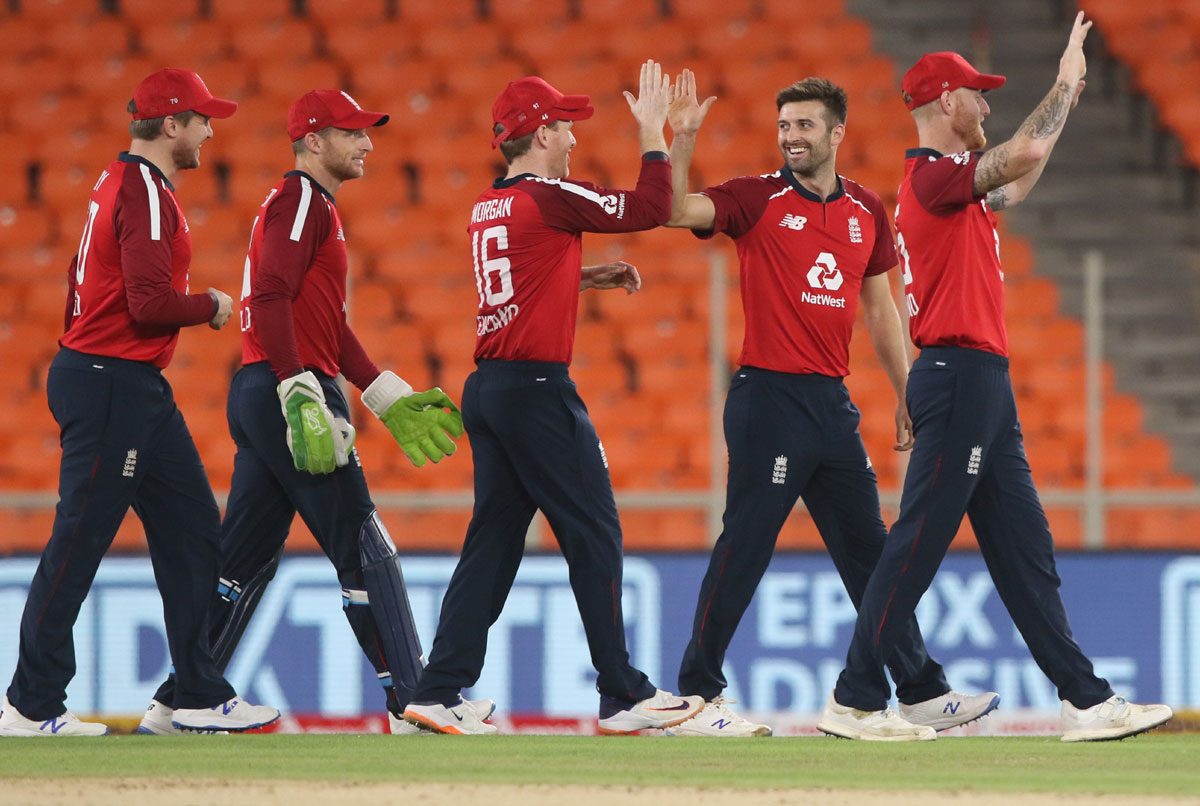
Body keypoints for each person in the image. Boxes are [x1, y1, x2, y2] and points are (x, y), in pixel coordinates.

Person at [820, 12, 1174, 742]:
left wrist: (1068, 99)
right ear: (945, 102)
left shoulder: (952, 189)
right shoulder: (931, 178)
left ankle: (1085, 698)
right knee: (918, 539)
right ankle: (854, 698)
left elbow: (1021, 173)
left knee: (1024, 550)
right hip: (958, 376)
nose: (985, 105)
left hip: (980, 379)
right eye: (976, 94)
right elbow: (1017, 155)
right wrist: (1064, 83)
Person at [659, 72, 997, 738]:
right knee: (748, 546)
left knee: (872, 552)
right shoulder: (755, 198)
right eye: (784, 126)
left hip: (831, 404)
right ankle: (697, 695)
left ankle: (921, 689)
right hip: (769, 397)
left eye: (805, 125)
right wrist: (683, 140)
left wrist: (906, 390)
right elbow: (675, 210)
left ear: (837, 132)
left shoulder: (865, 209)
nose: (791, 137)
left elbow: (879, 305)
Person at [135, 89, 481, 736]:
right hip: (282, 389)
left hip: (268, 387)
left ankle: (181, 699)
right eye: (354, 133)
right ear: (315, 141)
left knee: (242, 561)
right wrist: (300, 391)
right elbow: (266, 295)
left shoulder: (306, 207)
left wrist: (380, 392)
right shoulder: (301, 200)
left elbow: (324, 322)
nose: (368, 144)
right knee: (363, 542)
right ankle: (416, 698)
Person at [401, 61, 704, 735]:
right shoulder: (549, 195)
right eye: (564, 126)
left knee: (494, 544)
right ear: (539, 135)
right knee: (594, 531)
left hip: (490, 388)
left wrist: (581, 277)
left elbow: (522, 274)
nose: (572, 137)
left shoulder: (491, 202)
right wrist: (653, 132)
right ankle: (623, 692)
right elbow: (651, 208)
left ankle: (438, 687)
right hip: (536, 390)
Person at [0, 69, 278, 737]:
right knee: (80, 540)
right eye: (203, 119)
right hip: (110, 382)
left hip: (130, 384)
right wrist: (211, 305)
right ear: (172, 124)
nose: (211, 131)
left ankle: (196, 695)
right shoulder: (146, 192)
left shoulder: (123, 182)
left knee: (191, 536)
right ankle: (30, 705)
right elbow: (149, 304)